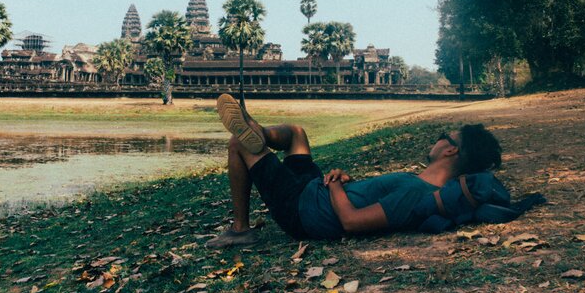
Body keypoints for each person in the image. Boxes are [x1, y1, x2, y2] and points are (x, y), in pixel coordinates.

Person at [207, 94, 502, 248]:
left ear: (450, 150)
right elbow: (365, 202)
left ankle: (240, 230)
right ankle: (259, 132)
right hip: (314, 190)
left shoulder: (417, 192)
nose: (437, 139)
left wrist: (335, 185)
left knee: (238, 144)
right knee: (297, 134)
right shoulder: (418, 185)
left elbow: (351, 221)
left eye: (443, 136)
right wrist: (346, 182)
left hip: (303, 210)